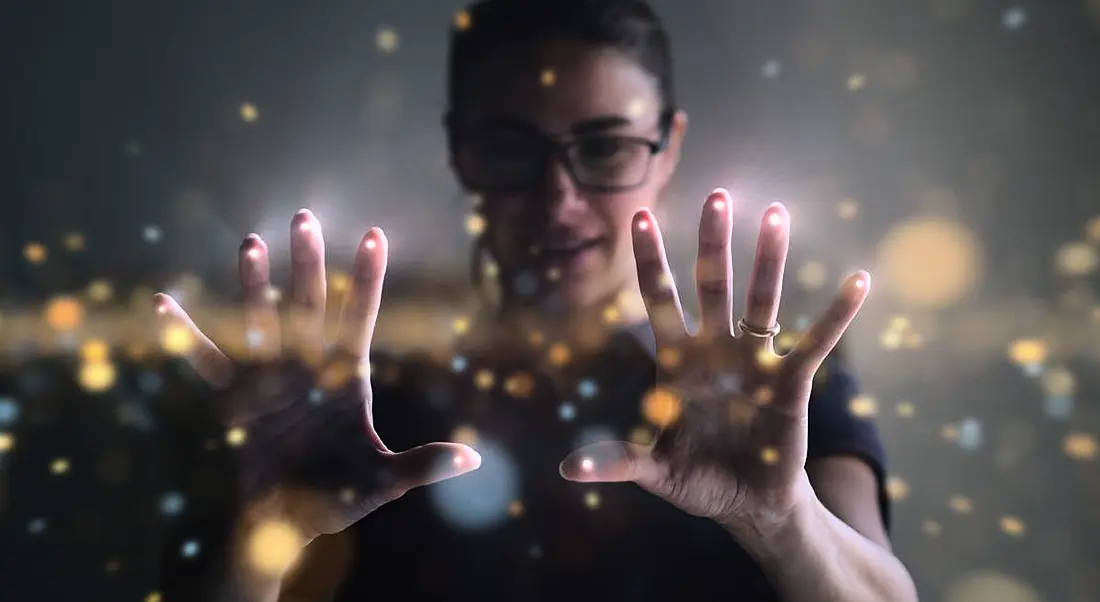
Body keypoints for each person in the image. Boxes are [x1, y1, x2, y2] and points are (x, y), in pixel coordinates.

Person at [157, 0, 918, 600]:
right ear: (461, 152)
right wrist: (266, 533)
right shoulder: (342, 398)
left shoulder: (772, 382)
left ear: (669, 148)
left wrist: (781, 519)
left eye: (604, 147)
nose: (559, 200)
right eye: (513, 147)